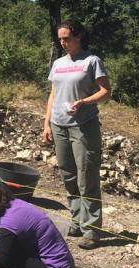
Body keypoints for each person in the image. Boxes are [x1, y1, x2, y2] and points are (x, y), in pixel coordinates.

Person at [43, 19, 111, 250]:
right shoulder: (58, 63)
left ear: (79, 36)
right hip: (59, 125)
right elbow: (53, 94)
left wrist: (84, 102)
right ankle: (77, 221)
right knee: (68, 175)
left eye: (67, 38)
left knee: (86, 176)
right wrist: (47, 124)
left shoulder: (92, 61)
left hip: (83, 125)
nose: (63, 43)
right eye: (60, 38)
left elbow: (105, 92)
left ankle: (92, 230)